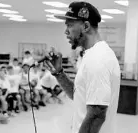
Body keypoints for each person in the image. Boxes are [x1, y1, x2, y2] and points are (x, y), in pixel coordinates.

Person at [44, 1, 121, 133]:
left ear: (85, 26)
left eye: (69, 25)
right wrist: (59, 73)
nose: (65, 31)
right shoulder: (91, 55)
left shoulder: (98, 59)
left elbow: (97, 114)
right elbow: (79, 95)